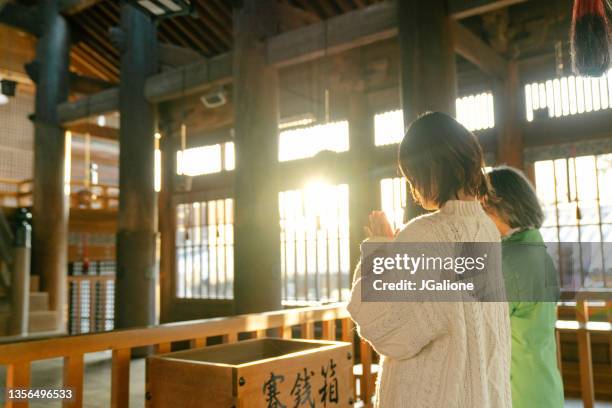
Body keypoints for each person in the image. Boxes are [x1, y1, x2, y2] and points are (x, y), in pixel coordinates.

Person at [348, 112, 511, 407]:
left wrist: (380, 246)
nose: (413, 189)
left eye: (412, 176)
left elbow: (382, 325)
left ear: (432, 169)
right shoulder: (486, 229)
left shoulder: (425, 234)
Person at [485, 166, 564, 408]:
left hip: (519, 391)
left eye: (481, 205)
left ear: (497, 204)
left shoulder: (511, 260)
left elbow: (477, 320)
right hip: (542, 383)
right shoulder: (536, 249)